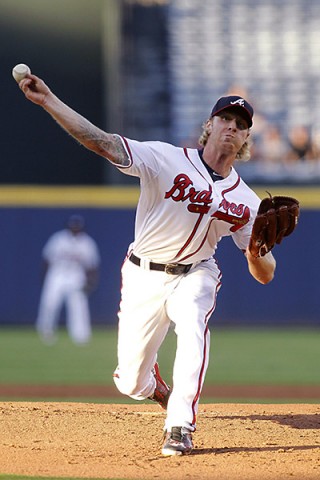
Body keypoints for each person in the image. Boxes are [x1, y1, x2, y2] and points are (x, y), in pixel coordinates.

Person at [18, 73, 276, 456]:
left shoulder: (248, 201)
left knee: (193, 327)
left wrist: (256, 249)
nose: (231, 127)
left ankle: (180, 425)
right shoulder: (165, 157)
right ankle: (153, 385)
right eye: (225, 119)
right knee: (130, 383)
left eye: (240, 126)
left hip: (196, 272)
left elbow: (266, 273)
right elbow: (103, 143)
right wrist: (50, 100)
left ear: (244, 141)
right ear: (209, 125)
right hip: (143, 274)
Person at [36, 214, 100, 345]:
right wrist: (44, 278)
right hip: (57, 274)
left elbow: (92, 265)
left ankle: (81, 336)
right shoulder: (58, 239)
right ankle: (46, 331)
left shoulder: (87, 242)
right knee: (50, 304)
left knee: (78, 306)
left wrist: (91, 282)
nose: (75, 228)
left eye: (77, 226)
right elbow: (46, 260)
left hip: (76, 276)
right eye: (73, 226)